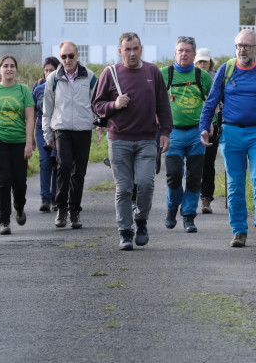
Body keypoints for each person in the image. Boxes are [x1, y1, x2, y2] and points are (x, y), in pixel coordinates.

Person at [199, 29, 256, 248]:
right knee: (235, 184)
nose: (242, 50)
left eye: (247, 46)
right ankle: (239, 230)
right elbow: (211, 101)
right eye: (239, 45)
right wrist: (204, 127)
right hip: (231, 134)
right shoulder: (226, 69)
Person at [92, 32, 172, 250]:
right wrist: (114, 105)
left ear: (141, 49)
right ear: (120, 52)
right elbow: (97, 105)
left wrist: (165, 132)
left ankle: (141, 221)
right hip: (119, 140)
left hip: (147, 139)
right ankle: (125, 232)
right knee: (124, 188)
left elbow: (163, 105)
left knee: (146, 183)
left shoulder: (152, 71)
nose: (132, 53)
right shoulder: (110, 74)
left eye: (136, 48)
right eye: (127, 49)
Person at [43, 41, 101, 229]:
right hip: (62, 129)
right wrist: (47, 133)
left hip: (84, 129)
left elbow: (98, 103)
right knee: (64, 166)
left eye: (70, 56)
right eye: (63, 56)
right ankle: (61, 209)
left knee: (79, 172)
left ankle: (74, 210)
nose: (67, 60)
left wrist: (99, 123)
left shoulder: (90, 77)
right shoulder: (53, 78)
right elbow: (47, 109)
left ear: (77, 56)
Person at [161, 36, 212, 232]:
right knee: (173, 175)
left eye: (187, 51)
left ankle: (189, 216)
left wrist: (212, 124)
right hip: (173, 133)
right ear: (175, 53)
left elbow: (213, 102)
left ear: (194, 54)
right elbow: (153, 101)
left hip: (196, 134)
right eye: (180, 50)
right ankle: (172, 207)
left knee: (194, 177)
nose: (183, 54)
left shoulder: (202, 76)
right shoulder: (164, 74)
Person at [0, 55, 35, 235]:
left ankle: (19, 206)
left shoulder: (23, 90)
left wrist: (29, 142)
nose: (9, 69)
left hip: (19, 141)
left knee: (19, 182)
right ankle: (4, 220)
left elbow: (30, 117)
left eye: (12, 66)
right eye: (5, 66)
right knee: (3, 180)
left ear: (16, 70)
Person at [33, 56, 61, 213]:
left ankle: (55, 197)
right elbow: (32, 113)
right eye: (46, 70)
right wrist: (29, 137)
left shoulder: (62, 87)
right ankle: (45, 197)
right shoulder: (37, 89)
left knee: (58, 162)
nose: (49, 73)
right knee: (45, 162)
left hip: (59, 129)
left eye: (52, 70)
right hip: (40, 129)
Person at [194, 47, 219, 214]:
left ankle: (206, 198)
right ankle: (190, 197)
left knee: (208, 162)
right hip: (192, 124)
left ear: (210, 62)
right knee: (193, 163)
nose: (202, 64)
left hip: (214, 123)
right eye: (199, 61)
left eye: (205, 61)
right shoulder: (190, 76)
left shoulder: (217, 77)